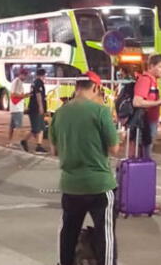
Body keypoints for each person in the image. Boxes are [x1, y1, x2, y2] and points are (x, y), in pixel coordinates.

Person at [50, 72, 120, 265]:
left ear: (76, 86)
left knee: (68, 232)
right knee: (105, 234)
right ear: (96, 88)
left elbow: (54, 150)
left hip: (71, 184)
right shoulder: (101, 111)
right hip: (100, 185)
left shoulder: (60, 112)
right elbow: (114, 148)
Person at [132, 54, 161, 159]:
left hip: (149, 122)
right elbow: (137, 102)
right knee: (144, 154)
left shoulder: (153, 81)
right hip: (145, 123)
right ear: (151, 66)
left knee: (146, 152)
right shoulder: (145, 80)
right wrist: (157, 103)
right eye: (160, 67)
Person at [21, 68, 48, 154]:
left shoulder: (34, 82)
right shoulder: (38, 83)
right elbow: (38, 94)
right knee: (36, 129)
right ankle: (24, 140)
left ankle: (39, 145)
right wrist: (41, 106)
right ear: (43, 75)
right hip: (35, 109)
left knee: (41, 127)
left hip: (34, 109)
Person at [8, 69, 29, 148]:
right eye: (24, 75)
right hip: (16, 108)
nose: (25, 77)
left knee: (12, 126)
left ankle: (10, 142)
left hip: (16, 107)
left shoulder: (18, 82)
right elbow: (13, 94)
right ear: (20, 74)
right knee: (18, 127)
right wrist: (24, 96)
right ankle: (15, 143)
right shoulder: (17, 81)